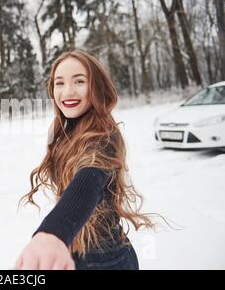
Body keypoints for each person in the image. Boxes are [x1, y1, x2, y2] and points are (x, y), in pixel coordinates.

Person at [14, 50, 156, 270]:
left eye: (79, 81)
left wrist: (53, 232)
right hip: (75, 249)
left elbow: (90, 180)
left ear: (96, 87)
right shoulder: (65, 129)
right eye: (59, 83)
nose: (67, 91)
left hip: (106, 260)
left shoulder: (104, 137)